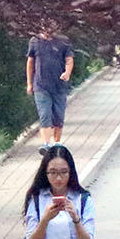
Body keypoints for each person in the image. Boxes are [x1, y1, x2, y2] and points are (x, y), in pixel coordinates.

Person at [24, 23, 75, 152]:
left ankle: (57, 143)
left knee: (58, 116)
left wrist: (67, 73)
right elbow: (30, 63)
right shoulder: (35, 41)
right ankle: (46, 145)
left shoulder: (63, 41)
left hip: (59, 86)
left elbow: (69, 60)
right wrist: (30, 83)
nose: (48, 29)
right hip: (41, 85)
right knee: (44, 115)